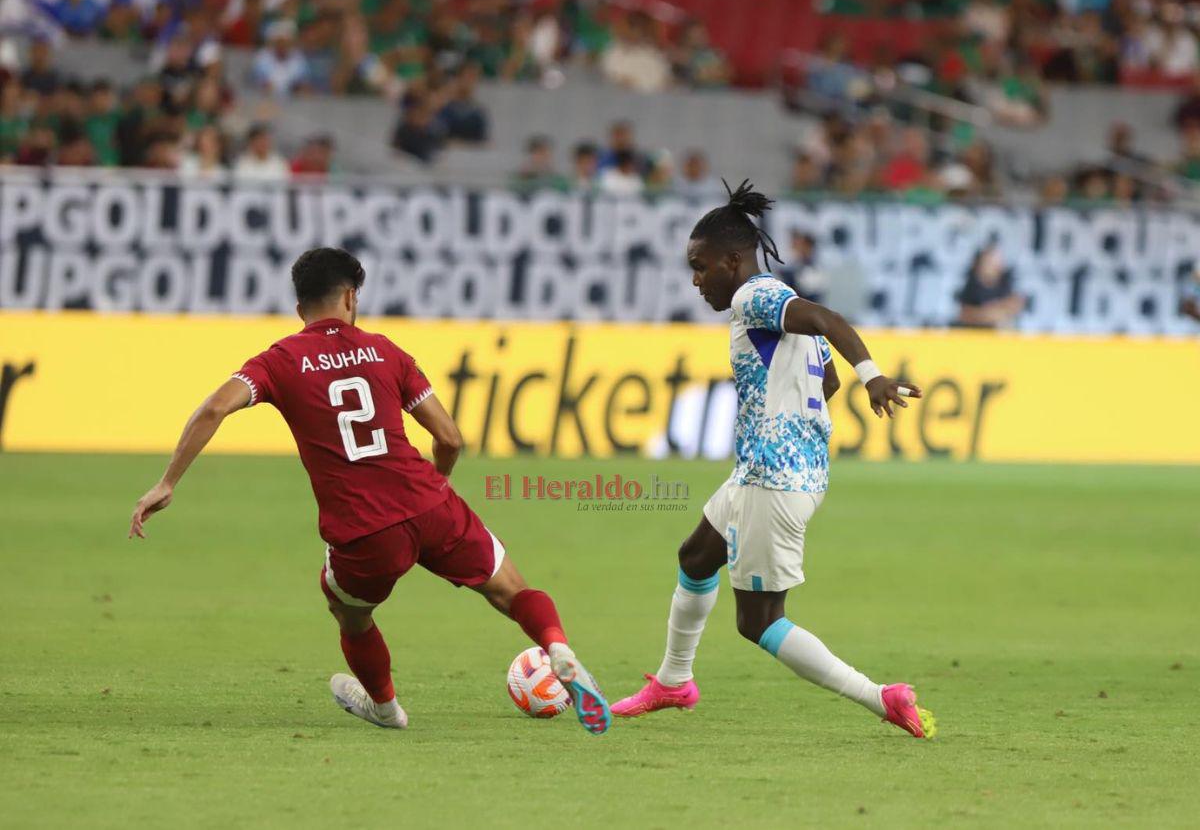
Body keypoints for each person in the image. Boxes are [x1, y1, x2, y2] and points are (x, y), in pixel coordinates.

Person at [129, 248, 612, 736]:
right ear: (351, 297)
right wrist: (434, 489)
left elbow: (214, 408)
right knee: (512, 590)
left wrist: (168, 481)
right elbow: (450, 438)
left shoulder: (278, 361)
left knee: (350, 614)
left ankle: (385, 707)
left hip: (364, 530)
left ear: (301, 309)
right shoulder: (387, 351)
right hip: (429, 503)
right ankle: (558, 649)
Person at [610, 181, 937, 740]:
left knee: (759, 622)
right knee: (695, 557)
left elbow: (828, 320)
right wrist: (787, 419)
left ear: (732, 261)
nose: (695, 279)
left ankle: (881, 698)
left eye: (700, 266)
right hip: (769, 468)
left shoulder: (752, 297)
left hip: (774, 480)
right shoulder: (774, 297)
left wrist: (873, 376)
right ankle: (673, 681)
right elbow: (823, 376)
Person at [955, 244, 1026, 329]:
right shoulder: (972, 286)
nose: (994, 265)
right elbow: (963, 315)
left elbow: (1015, 305)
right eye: (989, 262)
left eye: (997, 262)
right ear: (980, 263)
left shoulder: (1006, 284)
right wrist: (989, 314)